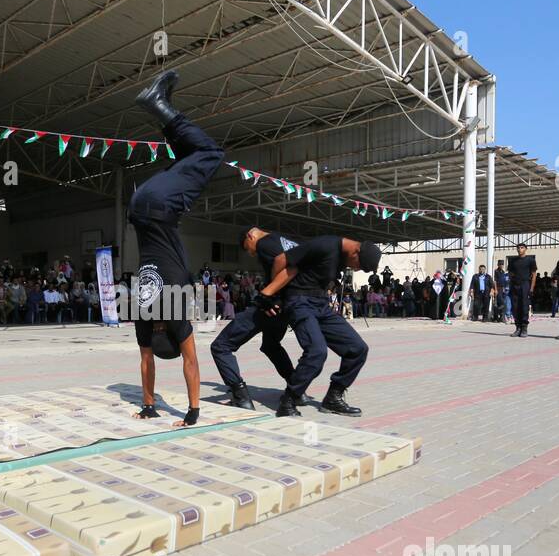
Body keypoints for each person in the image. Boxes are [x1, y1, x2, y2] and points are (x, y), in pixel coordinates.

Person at [127, 70, 223, 427]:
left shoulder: (176, 311)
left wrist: (194, 412)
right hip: (138, 207)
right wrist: (149, 406)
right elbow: (146, 361)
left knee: (212, 154)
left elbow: (191, 362)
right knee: (191, 160)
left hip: (159, 206)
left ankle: (160, 106)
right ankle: (160, 108)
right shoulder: (142, 314)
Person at [256, 234, 383, 416]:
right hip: (299, 302)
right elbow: (281, 259)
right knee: (317, 352)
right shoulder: (324, 245)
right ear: (355, 253)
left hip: (321, 304)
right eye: (360, 267)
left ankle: (333, 398)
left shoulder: (342, 257)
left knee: (358, 348)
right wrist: (274, 293)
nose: (357, 270)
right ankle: (289, 400)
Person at [210, 226, 298, 409]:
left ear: (251, 235)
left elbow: (285, 271)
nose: (251, 253)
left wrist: (270, 298)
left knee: (221, 346)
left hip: (269, 306)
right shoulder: (284, 240)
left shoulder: (264, 243)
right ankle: (297, 390)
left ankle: (241, 397)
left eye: (248, 248)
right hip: (287, 308)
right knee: (271, 345)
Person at [507, 244, 537, 337]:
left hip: (525, 284)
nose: (519, 249)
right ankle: (518, 328)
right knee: (515, 307)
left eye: (522, 248)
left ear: (526, 249)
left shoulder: (530, 260)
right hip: (515, 285)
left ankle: (524, 328)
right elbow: (510, 274)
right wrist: (510, 285)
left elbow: (534, 274)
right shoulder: (513, 261)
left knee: (524, 307)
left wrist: (531, 288)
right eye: (518, 248)